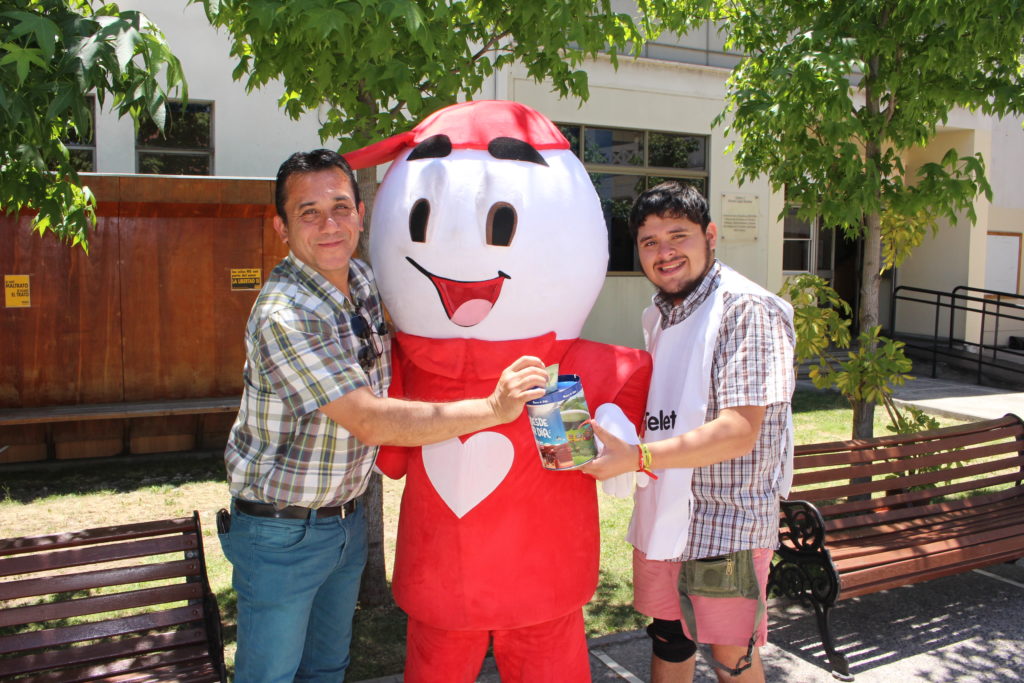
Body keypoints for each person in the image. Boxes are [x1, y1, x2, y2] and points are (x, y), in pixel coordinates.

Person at [218, 149, 548, 683]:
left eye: (340, 207)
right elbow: (368, 419)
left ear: (361, 213)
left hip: (345, 522)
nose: (329, 225)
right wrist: (491, 407)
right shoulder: (286, 314)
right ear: (281, 227)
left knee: (327, 669)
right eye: (308, 212)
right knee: (270, 677)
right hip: (280, 533)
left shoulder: (362, 281)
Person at [582, 181, 795, 683]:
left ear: (710, 236)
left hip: (725, 524)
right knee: (669, 640)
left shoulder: (746, 308)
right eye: (650, 242)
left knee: (731, 658)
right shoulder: (659, 314)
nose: (665, 252)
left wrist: (637, 457)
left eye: (678, 236)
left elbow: (738, 431)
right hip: (664, 514)